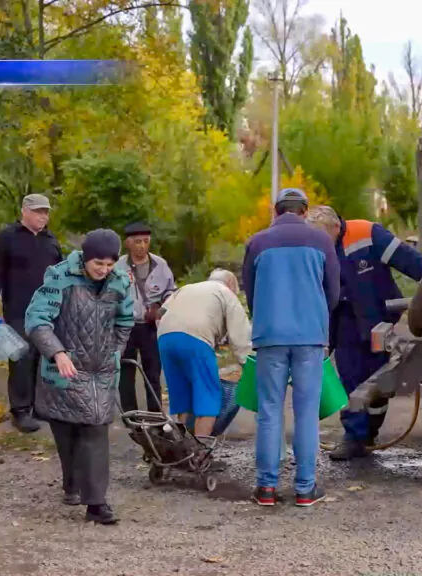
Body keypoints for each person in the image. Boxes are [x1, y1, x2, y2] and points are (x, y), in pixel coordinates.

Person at [305, 205, 422, 461]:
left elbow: (410, 261)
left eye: (325, 238)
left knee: (378, 380)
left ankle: (369, 431)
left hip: (377, 318)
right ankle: (354, 436)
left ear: (336, 227)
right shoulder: (316, 245)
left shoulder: (367, 234)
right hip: (344, 320)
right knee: (351, 379)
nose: (321, 244)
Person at [24, 229, 134, 525]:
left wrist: (115, 351)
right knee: (66, 431)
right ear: (86, 258)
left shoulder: (120, 281)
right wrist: (57, 353)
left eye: (110, 264)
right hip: (63, 370)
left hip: (100, 372)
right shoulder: (59, 277)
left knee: (96, 430)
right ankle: (71, 483)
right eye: (98, 263)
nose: (104, 270)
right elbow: (36, 320)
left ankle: (96, 503)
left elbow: (125, 320)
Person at [241, 188, 340, 507]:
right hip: (309, 336)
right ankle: (305, 488)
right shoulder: (322, 241)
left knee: (270, 411)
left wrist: (265, 317)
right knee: (307, 412)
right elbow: (333, 292)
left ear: (276, 210)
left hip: (270, 335)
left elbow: (250, 290)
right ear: (305, 211)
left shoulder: (257, 243)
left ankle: (266, 488)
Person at [0, 193, 64, 433]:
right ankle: (20, 411)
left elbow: (60, 275)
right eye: (38, 211)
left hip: (48, 310)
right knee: (21, 358)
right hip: (18, 309)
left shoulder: (51, 240)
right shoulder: (7, 237)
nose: (43, 216)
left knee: (44, 358)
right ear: (24, 211)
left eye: (46, 212)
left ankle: (40, 407)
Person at [157, 269, 252, 437]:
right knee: (208, 396)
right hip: (196, 339)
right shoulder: (226, 294)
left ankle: (181, 446)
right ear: (231, 285)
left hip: (165, 337)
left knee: (181, 395)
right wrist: (248, 364)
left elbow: (161, 312)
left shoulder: (187, 288)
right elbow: (240, 338)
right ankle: (199, 451)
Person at [115, 222, 177, 413]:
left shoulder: (160, 264)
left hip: (150, 327)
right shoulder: (118, 266)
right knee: (126, 373)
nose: (142, 246)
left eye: (145, 241)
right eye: (137, 241)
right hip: (125, 326)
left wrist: (160, 311)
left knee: (153, 373)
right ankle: (130, 414)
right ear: (128, 243)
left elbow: (171, 293)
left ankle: (155, 414)